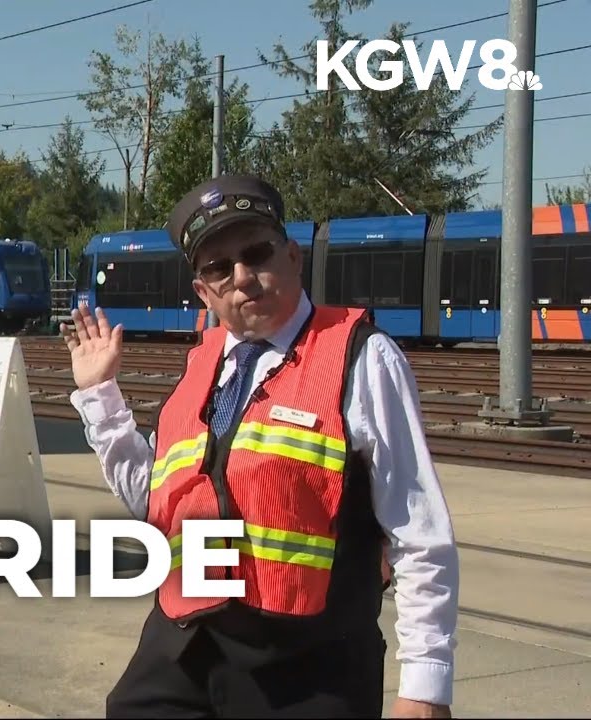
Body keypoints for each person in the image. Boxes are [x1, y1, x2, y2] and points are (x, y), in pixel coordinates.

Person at [62, 174, 459, 718]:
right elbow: (156, 504)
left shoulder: (361, 358)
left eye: (256, 254)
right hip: (184, 647)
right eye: (219, 268)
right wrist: (99, 395)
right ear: (203, 291)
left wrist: (426, 685)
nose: (243, 277)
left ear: (292, 256)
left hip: (309, 667)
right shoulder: (199, 369)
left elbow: (418, 530)